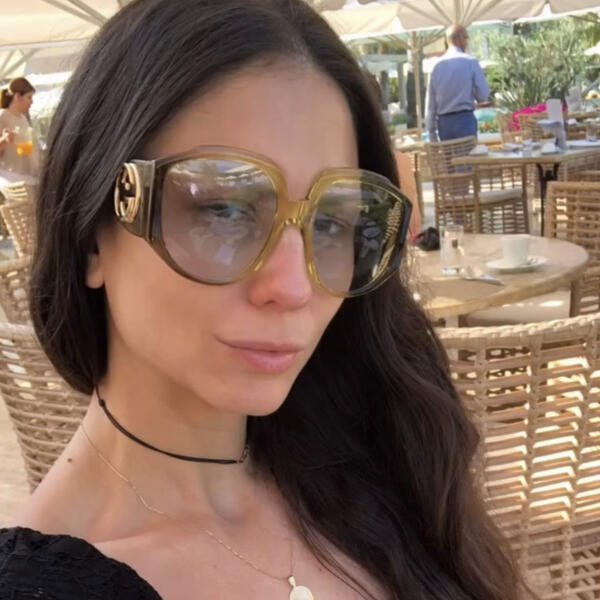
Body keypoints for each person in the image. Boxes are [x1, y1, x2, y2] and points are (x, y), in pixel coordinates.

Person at [0, 1, 527, 599]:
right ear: (93, 234)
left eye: (331, 222)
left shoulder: (379, 457)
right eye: (223, 209)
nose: (294, 287)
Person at [426, 24, 491, 142]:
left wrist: (431, 132)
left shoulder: (436, 66)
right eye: (466, 38)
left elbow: (431, 104)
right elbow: (483, 95)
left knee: (449, 154)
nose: (466, 42)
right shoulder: (470, 62)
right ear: (460, 38)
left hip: (444, 123)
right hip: (465, 119)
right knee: (468, 153)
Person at [0, 77, 38, 176]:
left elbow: (22, 150)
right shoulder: (2, 116)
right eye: (29, 97)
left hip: (25, 176)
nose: (32, 102)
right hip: (9, 178)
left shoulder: (23, 118)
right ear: (17, 96)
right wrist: (4, 140)